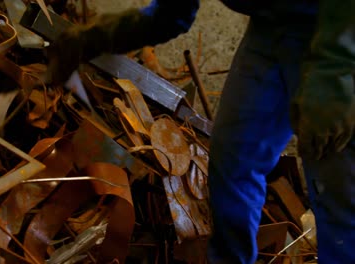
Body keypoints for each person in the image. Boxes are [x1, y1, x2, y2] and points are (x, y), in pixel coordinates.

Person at [46, 0, 355, 263]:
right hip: (272, 27)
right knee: (234, 161)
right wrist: (93, 38)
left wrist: (335, 72)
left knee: (337, 189)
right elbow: (171, 15)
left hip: (343, 28)